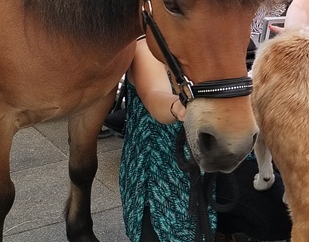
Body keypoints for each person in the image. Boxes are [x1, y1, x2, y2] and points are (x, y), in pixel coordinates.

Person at [119, 39, 291, 242]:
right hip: (161, 165)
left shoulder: (213, 44)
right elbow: (154, 95)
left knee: (280, 213)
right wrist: (179, 106)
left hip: (217, 158)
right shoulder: (146, 47)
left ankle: (224, 229)